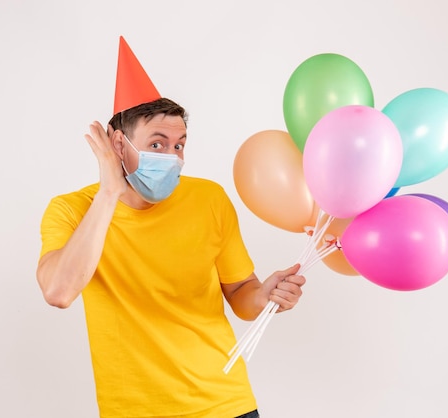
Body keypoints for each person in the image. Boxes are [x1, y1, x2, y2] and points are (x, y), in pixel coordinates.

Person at [36, 37, 306, 418]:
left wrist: (265, 297)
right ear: (118, 144)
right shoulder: (71, 210)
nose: (173, 157)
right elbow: (59, 291)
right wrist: (110, 191)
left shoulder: (209, 199)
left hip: (225, 405)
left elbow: (241, 292)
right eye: (157, 144)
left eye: (179, 145)